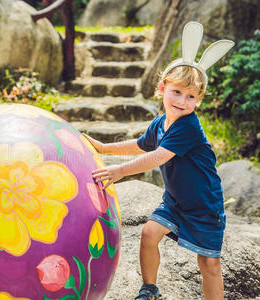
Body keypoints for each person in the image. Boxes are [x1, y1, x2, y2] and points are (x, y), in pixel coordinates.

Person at [84, 21, 234, 300]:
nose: (182, 100)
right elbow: (141, 146)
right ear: (163, 87)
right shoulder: (161, 122)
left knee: (209, 264)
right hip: (176, 201)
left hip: (204, 205)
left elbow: (156, 157)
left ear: (198, 101)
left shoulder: (188, 127)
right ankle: (149, 289)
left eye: (191, 96)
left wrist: (118, 172)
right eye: (176, 91)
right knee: (149, 234)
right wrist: (104, 147)